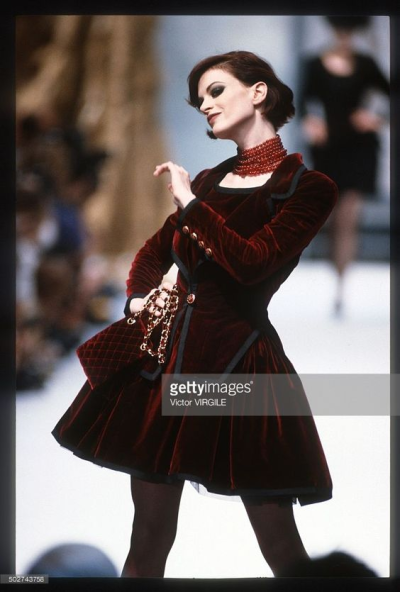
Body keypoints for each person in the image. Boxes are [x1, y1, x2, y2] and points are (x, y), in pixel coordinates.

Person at [52, 50, 338, 578]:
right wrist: (138, 298)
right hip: (163, 368)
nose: (204, 105)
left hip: (239, 369)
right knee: (148, 537)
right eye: (199, 98)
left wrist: (189, 203)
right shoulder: (209, 180)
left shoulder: (306, 188)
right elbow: (151, 254)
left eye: (215, 91)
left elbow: (253, 265)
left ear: (258, 93)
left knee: (281, 547)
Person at [299, 16, 389, 316]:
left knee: (349, 216)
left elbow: (390, 97)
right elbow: (299, 103)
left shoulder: (366, 64)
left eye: (349, 31)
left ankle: (341, 286)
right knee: (328, 216)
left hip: (360, 149)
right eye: (341, 30)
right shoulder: (314, 65)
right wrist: (311, 122)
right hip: (328, 149)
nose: (345, 37)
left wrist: (375, 118)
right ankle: (330, 277)